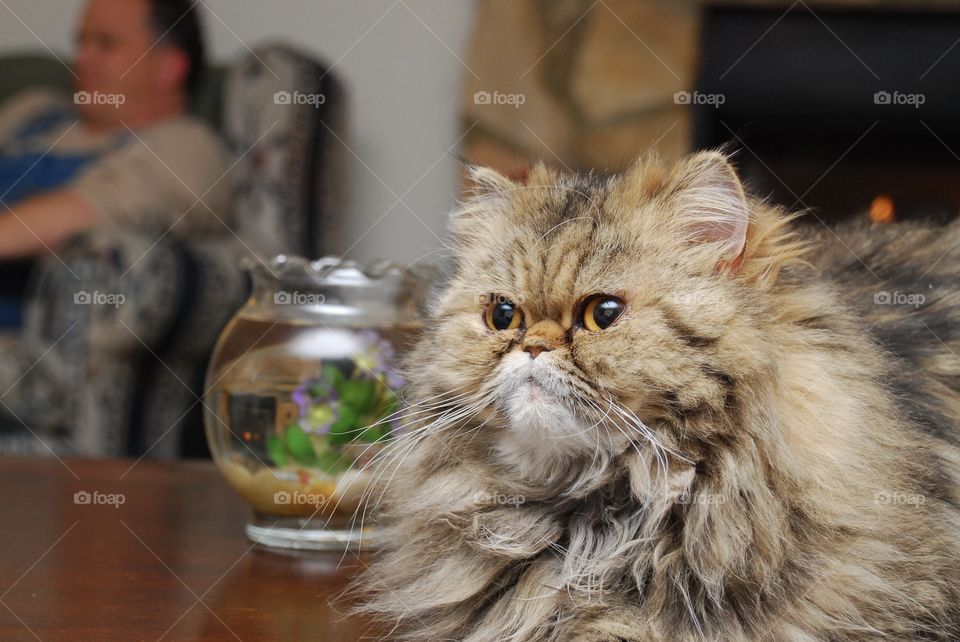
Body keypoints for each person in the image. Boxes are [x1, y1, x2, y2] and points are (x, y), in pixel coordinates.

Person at [0, 0, 233, 454]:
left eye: (104, 43)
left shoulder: (187, 147)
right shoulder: (33, 112)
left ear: (169, 67)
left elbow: (77, 214)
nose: (81, 58)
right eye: (80, 42)